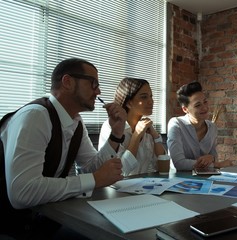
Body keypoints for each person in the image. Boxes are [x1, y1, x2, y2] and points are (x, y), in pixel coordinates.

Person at [0, 58, 127, 239]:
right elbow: (22, 192)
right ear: (67, 82)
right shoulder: (35, 116)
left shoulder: (75, 121)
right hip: (12, 228)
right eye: (93, 83)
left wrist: (116, 133)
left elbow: (92, 168)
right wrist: (94, 179)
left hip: (44, 220)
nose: (98, 91)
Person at [98, 77, 166, 176]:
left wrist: (156, 137)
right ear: (129, 102)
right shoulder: (112, 127)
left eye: (151, 96)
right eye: (144, 97)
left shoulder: (147, 128)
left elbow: (162, 168)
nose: (151, 101)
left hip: (141, 187)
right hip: (117, 188)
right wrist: (136, 136)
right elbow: (121, 172)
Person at [167, 81, 234, 170]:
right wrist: (216, 165)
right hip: (178, 179)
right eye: (198, 105)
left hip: (204, 179)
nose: (205, 108)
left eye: (205, 102)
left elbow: (213, 158)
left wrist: (212, 159)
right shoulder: (176, 124)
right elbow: (179, 163)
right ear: (185, 109)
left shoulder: (212, 127)